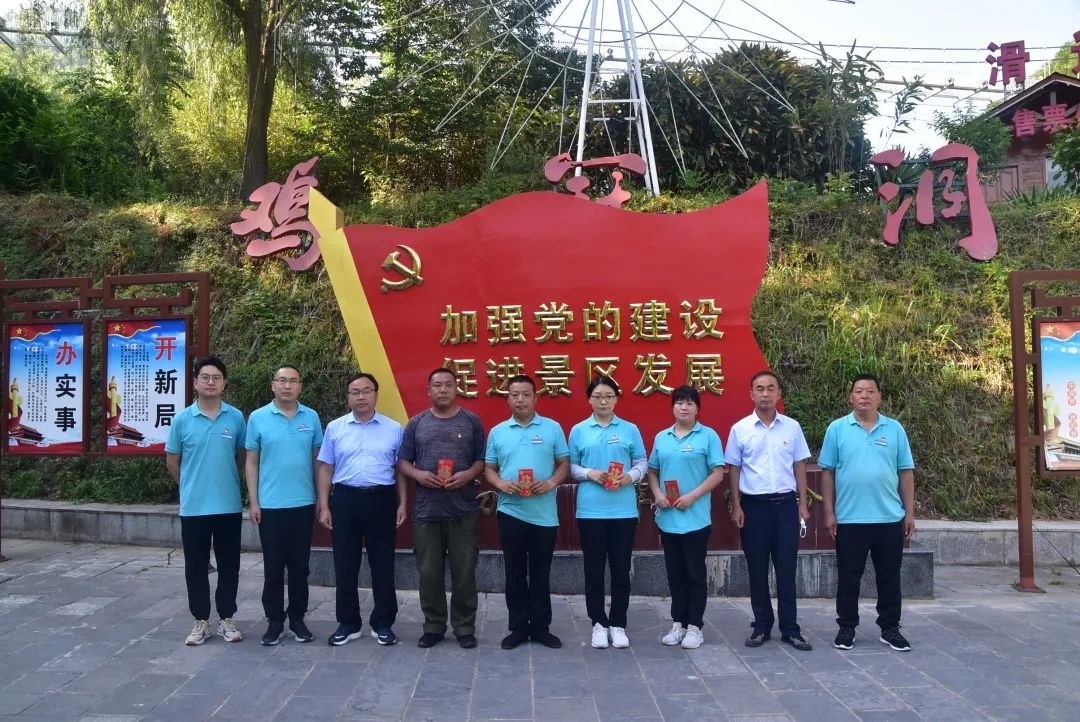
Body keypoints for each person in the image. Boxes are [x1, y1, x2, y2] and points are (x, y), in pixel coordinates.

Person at [820, 373, 916, 653]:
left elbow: (905, 472)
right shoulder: (837, 429)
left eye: (870, 391)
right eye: (859, 391)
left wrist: (909, 513)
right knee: (849, 578)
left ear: (879, 397)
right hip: (850, 519)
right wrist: (829, 512)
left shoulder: (894, 429)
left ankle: (890, 628)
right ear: (851, 397)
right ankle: (847, 627)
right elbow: (828, 473)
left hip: (889, 518)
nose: (864, 396)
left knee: (889, 577)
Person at [316, 373, 407, 647]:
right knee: (345, 565)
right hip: (345, 500)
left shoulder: (393, 428)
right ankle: (348, 623)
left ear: (376, 395)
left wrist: (403, 502)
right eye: (355, 392)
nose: (361, 396)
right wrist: (324, 505)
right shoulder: (335, 428)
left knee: (383, 564)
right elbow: (326, 468)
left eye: (366, 391)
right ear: (348, 397)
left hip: (382, 500)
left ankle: (383, 623)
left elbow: (400, 469)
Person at [398, 368, 485, 650]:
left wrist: (468, 475)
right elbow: (403, 461)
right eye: (437, 385)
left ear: (457, 389)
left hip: (463, 510)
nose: (443, 390)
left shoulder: (471, 421)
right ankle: (433, 626)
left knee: (464, 573)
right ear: (429, 390)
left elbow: (481, 460)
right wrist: (418, 475)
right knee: (429, 573)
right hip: (427, 511)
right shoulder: (416, 423)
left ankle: (464, 627)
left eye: (448, 385)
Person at [726, 371, 812, 652]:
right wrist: (737, 505)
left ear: (778, 393)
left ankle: (791, 629)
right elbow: (734, 469)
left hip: (786, 507)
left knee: (787, 570)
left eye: (771, 388)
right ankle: (761, 626)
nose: (765, 393)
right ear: (751, 394)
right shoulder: (740, 429)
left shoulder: (792, 427)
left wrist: (802, 503)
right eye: (760, 388)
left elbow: (799, 465)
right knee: (757, 569)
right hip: (754, 508)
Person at [165, 356, 247, 646]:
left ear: (224, 383)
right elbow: (172, 461)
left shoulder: (235, 417)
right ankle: (201, 620)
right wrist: (189, 486)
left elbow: (241, 457)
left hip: (228, 505)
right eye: (205, 377)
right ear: (195, 383)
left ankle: (227, 618)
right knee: (196, 566)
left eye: (217, 378)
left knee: (229, 564)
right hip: (194, 508)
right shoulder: (182, 419)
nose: (211, 382)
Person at [484, 374, 570, 650]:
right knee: (515, 573)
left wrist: (551, 483)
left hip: (544, 515)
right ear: (508, 399)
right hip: (510, 511)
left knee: (541, 574)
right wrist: (500, 484)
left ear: (535, 398)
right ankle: (519, 628)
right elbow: (489, 468)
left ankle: (541, 628)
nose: (520, 399)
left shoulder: (552, 428)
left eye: (525, 394)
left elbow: (564, 463)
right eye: (514, 395)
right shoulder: (498, 432)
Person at [245, 365, 323, 646]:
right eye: (282, 380)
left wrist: (322, 499)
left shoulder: (311, 417)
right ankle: (275, 621)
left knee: (300, 567)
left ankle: (298, 619)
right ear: (273, 385)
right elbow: (251, 461)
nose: (287, 386)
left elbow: (318, 461)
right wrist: (254, 501)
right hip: (270, 506)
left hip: (303, 504)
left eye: (292, 381)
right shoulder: (258, 418)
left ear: (300, 386)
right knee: (273, 567)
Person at [568, 376, 647, 650]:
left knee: (621, 570)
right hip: (590, 511)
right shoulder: (579, 430)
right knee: (593, 571)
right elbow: (571, 467)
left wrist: (631, 477)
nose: (603, 401)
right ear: (589, 399)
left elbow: (641, 461)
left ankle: (618, 623)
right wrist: (590, 473)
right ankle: (598, 623)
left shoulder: (630, 429)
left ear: (616, 398)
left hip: (623, 511)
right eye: (598, 396)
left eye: (609, 396)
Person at [646, 385, 724, 650]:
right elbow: (653, 471)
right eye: (679, 402)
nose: (684, 407)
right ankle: (678, 623)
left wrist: (692, 496)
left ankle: (695, 627)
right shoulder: (662, 437)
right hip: (668, 518)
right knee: (675, 574)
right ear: (672, 407)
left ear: (697, 408)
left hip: (695, 518)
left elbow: (717, 473)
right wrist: (657, 493)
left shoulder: (708, 436)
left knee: (694, 573)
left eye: (690, 403)